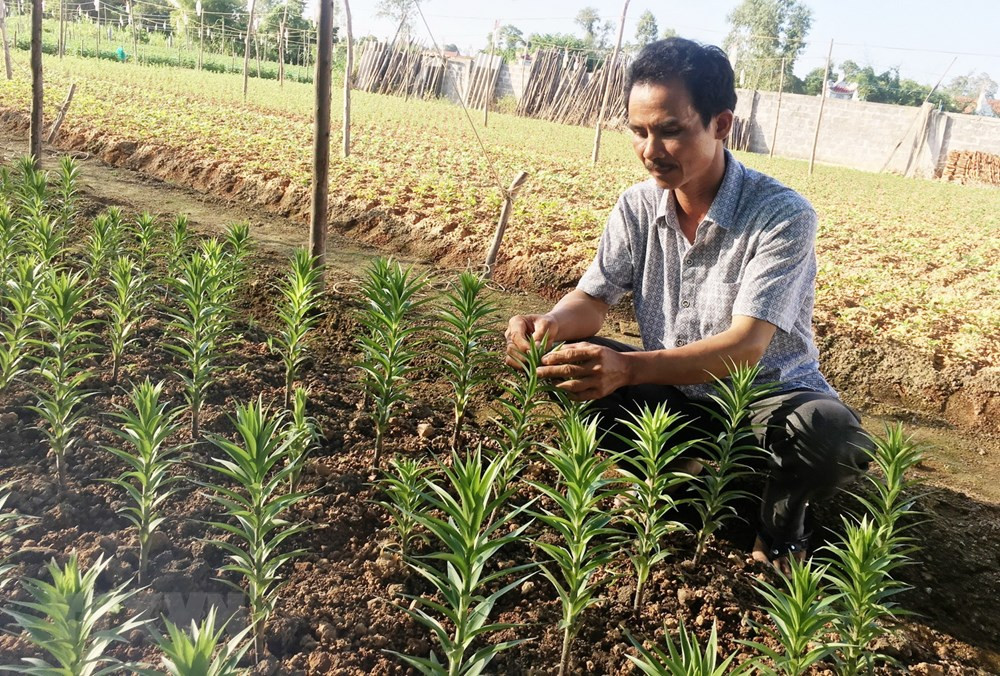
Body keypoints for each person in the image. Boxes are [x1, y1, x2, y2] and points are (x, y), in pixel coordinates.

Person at [504, 37, 871, 571]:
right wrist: (550, 324)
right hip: (673, 392)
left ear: (721, 124)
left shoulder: (781, 214)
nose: (650, 150)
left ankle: (781, 528)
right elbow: (593, 297)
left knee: (830, 436)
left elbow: (745, 347)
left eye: (670, 130)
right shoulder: (637, 206)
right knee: (563, 362)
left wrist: (628, 368)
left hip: (764, 403)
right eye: (639, 131)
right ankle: (672, 478)